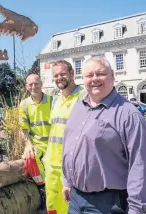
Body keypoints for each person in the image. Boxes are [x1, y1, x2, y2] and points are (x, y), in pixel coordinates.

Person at [62, 57, 146, 214]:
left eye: (100, 73)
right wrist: (67, 181)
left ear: (112, 76)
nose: (94, 79)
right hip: (75, 198)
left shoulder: (129, 114)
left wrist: (137, 209)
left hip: (107, 204)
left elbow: (139, 164)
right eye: (89, 75)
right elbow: (69, 145)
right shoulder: (79, 106)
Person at [45, 60, 86, 214]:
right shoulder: (55, 100)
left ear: (72, 73)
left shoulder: (84, 97)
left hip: (71, 166)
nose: (59, 78)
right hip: (51, 164)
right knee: (52, 205)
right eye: (55, 75)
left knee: (70, 206)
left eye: (62, 74)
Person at [19, 74, 52, 209]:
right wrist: (28, 145)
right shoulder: (24, 104)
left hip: (52, 142)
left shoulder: (52, 101)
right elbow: (23, 128)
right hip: (36, 143)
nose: (34, 87)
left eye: (36, 83)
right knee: (29, 158)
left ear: (41, 84)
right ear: (27, 87)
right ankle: (42, 188)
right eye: (30, 84)